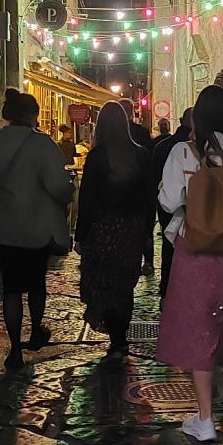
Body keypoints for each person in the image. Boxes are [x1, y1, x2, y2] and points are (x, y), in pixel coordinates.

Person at [156, 86, 223, 441]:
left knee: (199, 329)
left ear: (196, 117)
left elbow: (170, 200)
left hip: (195, 250)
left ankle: (204, 419)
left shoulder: (181, 153)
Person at [0, 88, 74, 372]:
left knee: (10, 288)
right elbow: (59, 188)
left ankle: (14, 349)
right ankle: (35, 331)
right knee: (36, 283)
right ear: (33, 116)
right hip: (36, 228)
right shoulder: (43, 145)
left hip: (4, 227)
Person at [75, 101, 153, 366]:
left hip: (105, 227)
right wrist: (146, 229)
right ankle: (121, 337)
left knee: (104, 283)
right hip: (132, 228)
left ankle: (118, 338)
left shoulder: (97, 157)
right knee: (124, 283)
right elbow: (148, 196)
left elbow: (87, 198)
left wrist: (80, 235)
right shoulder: (142, 154)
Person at [151, 107, 193, 302]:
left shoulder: (163, 145)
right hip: (192, 206)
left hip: (167, 202)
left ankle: (166, 285)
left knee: (169, 244)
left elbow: (154, 175)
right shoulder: (203, 147)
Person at [120, 98, 155, 275]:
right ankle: (147, 262)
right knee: (145, 229)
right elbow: (149, 159)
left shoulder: (113, 132)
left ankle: (126, 260)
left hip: (122, 189)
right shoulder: (141, 132)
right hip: (141, 187)